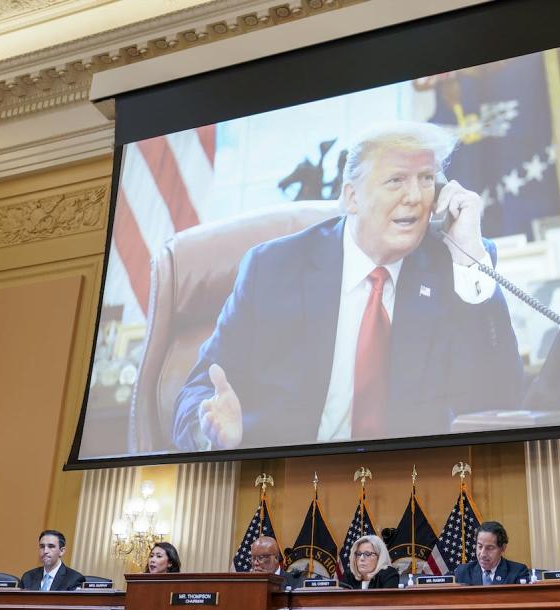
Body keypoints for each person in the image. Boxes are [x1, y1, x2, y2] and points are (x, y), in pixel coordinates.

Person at [173, 121, 524, 451]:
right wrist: (213, 433)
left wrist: (469, 260)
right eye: (396, 180)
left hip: (415, 479)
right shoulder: (273, 270)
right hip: (289, 482)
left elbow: (503, 398)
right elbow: (198, 389)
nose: (416, 197)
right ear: (352, 197)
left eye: (427, 179)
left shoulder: (454, 265)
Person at [453, 522, 529, 585]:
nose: (482, 554)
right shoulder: (462, 572)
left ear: (503, 548)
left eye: (490, 548)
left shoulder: (518, 572)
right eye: (480, 546)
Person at [18, 529, 85, 591]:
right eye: (42, 546)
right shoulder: (28, 577)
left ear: (61, 551)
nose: (45, 551)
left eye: (51, 546)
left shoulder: (74, 579)